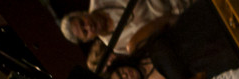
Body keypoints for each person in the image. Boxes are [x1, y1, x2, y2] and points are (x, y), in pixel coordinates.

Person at [60, 0, 190, 56]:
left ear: (83, 13)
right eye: (85, 32)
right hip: (183, 16)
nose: (88, 27)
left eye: (82, 22)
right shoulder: (115, 45)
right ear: (88, 39)